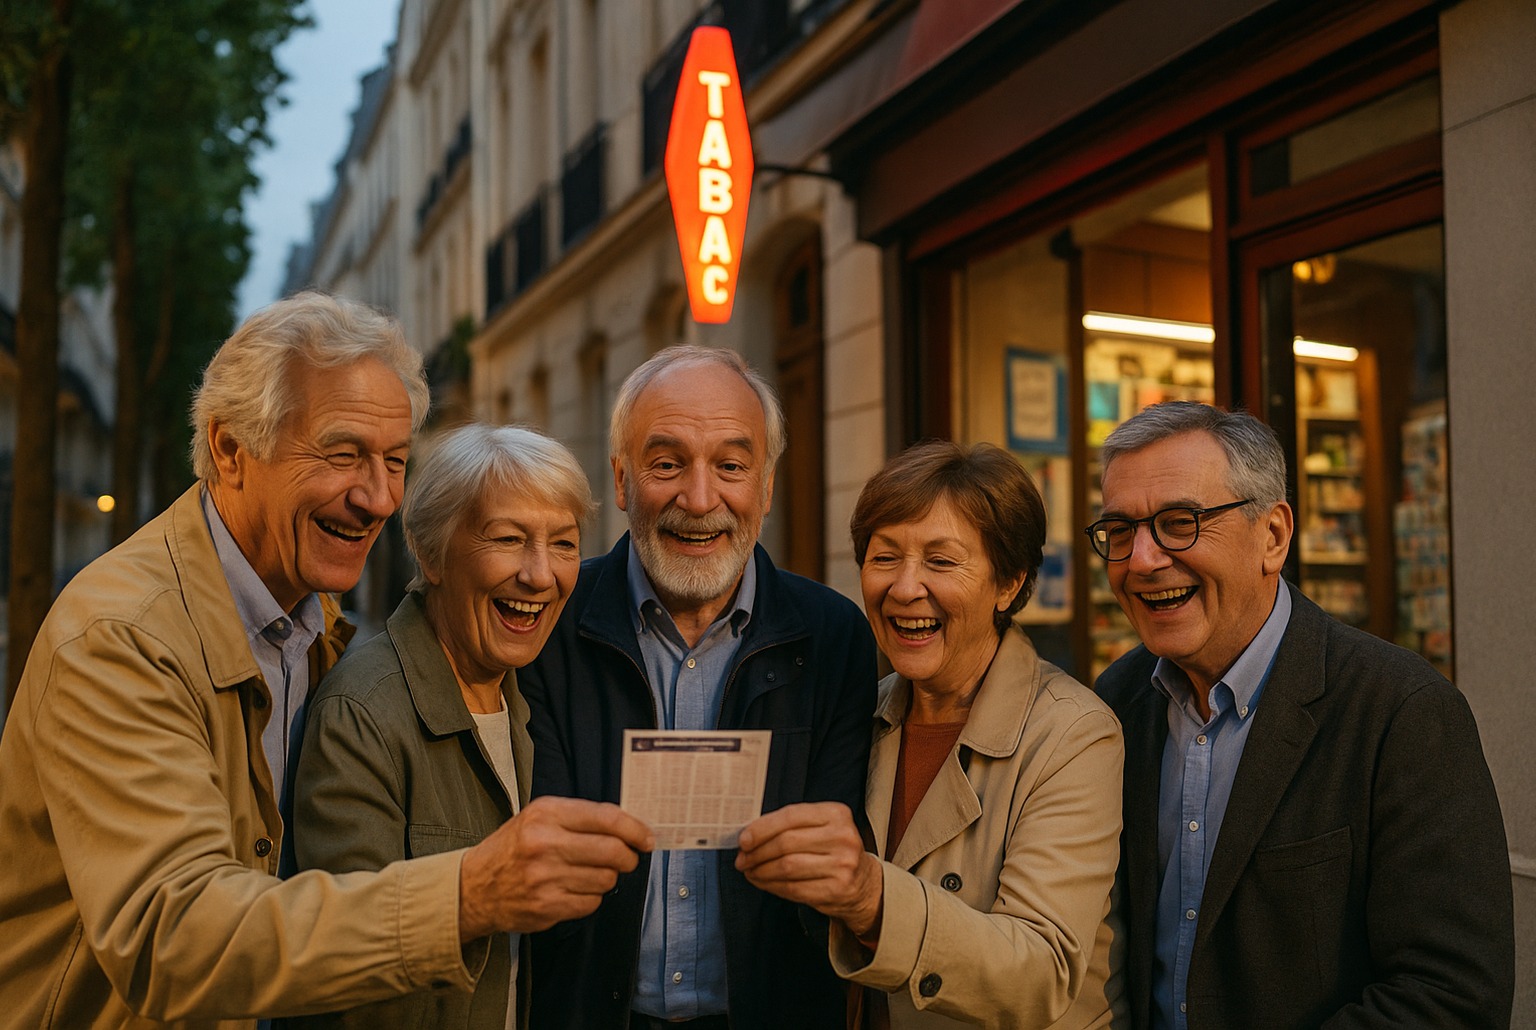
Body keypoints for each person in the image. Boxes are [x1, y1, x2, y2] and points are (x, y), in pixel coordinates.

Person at [0, 293, 651, 1028]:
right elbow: (172, 935)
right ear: (228, 449)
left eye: (395, 461)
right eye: (343, 455)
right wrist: (468, 895)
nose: (378, 498)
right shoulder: (122, 637)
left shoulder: (312, 626)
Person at [1087, 401, 1514, 1030]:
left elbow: (1453, 995)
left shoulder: (1400, 713)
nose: (1143, 560)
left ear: (1274, 536)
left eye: (1180, 523)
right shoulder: (1118, 702)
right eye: (1120, 531)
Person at [518, 345, 879, 1030]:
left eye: (732, 466)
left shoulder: (834, 639)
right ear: (622, 481)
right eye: (666, 464)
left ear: (766, 488)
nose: (700, 499)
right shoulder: (549, 623)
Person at [736, 440, 1127, 1029]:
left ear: (1008, 582)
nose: (904, 588)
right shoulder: (860, 715)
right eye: (884, 556)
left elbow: (1042, 970)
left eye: (941, 562)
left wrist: (873, 900)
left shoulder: (1073, 734)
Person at [288, 423, 598, 1030]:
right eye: (509, 539)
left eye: (564, 543)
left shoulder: (524, 697)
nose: (540, 575)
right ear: (430, 554)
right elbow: (350, 975)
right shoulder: (363, 713)